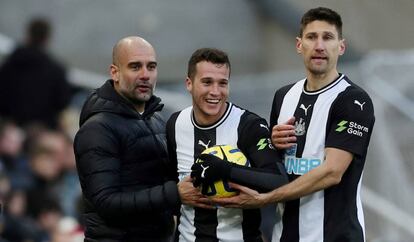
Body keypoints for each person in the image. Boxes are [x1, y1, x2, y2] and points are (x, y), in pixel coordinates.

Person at [204, 7, 375, 242]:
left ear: (341, 47)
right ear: (299, 45)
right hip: (285, 235)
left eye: (327, 37)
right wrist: (273, 145)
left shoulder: (353, 100)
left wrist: (267, 198)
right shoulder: (284, 96)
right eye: (311, 37)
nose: (319, 46)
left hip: (335, 236)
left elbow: (332, 173)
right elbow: (276, 168)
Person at [167, 48, 288, 242]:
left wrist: (226, 170)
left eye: (222, 83)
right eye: (207, 82)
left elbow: (278, 180)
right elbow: (171, 181)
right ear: (189, 84)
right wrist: (176, 193)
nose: (215, 92)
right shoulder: (175, 124)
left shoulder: (248, 125)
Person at [74, 36, 185, 241]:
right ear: (115, 72)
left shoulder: (157, 119)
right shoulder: (98, 129)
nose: (145, 75)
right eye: (135, 67)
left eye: (151, 67)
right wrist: (176, 193)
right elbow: (106, 203)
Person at [0, 17, 72, 129]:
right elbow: (62, 103)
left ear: (28, 34)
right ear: (47, 38)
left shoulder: (9, 65)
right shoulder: (56, 70)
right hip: (42, 129)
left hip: (10, 125)